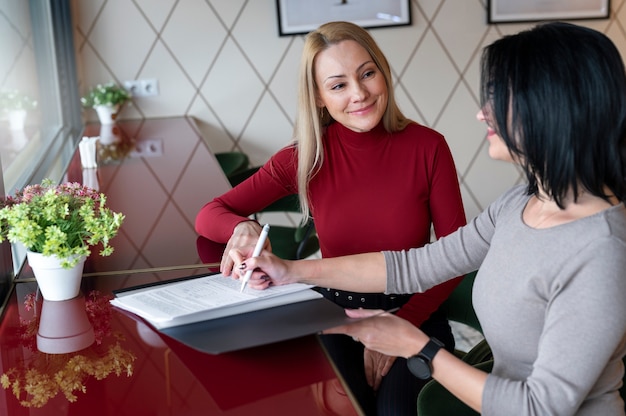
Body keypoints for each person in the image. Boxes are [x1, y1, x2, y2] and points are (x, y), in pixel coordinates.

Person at [229, 22, 626, 415]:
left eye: (499, 97)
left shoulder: (603, 250)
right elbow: (417, 264)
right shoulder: (521, 203)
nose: (481, 113)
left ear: (552, 106)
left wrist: (419, 347)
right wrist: (291, 270)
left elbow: (540, 408)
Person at [195, 21, 467, 414]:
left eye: (367, 74)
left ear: (382, 73)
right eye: (338, 85)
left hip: (413, 313)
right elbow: (210, 213)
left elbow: (454, 255)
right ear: (319, 97)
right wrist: (243, 226)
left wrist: (400, 326)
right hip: (336, 314)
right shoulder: (306, 156)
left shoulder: (429, 148)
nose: (359, 94)